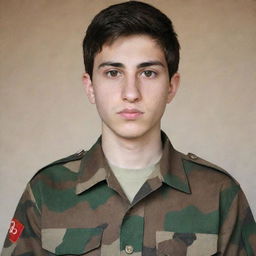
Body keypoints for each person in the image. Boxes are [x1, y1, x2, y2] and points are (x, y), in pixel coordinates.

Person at [1, 1, 256, 255]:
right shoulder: (46, 190)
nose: (131, 93)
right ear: (90, 86)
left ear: (171, 86)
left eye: (148, 73)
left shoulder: (220, 193)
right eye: (113, 73)